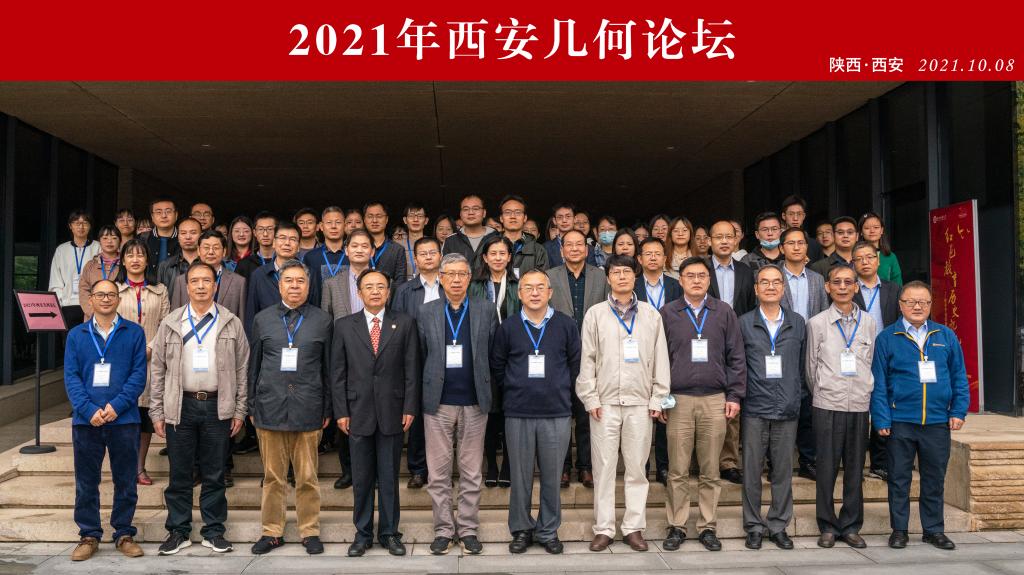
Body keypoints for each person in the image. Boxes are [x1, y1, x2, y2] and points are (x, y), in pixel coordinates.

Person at [149, 262, 248, 555]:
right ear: (187, 286)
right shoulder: (171, 322)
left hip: (218, 405)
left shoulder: (230, 322)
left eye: (207, 280)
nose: (201, 286)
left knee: (214, 473)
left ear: (215, 286)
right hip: (181, 405)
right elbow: (157, 370)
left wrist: (240, 410)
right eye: (195, 281)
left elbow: (242, 369)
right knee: (180, 473)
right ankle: (178, 531)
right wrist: (157, 411)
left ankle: (214, 531)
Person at [577, 255, 670, 553]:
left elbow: (661, 359)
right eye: (615, 272)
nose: (621, 277)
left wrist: (658, 397)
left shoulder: (651, 315)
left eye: (627, 272)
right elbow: (587, 359)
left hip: (640, 403)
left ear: (635, 276)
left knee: (637, 469)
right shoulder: (595, 314)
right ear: (608, 278)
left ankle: (633, 528)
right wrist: (590, 397)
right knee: (603, 469)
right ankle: (604, 528)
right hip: (604, 404)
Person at [871, 281, 969, 551]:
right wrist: (881, 418)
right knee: (898, 479)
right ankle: (899, 530)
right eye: (911, 301)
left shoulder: (945, 336)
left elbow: (959, 376)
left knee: (934, 479)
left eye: (923, 302)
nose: (917, 306)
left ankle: (933, 530)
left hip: (937, 422)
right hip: (900, 421)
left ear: (930, 305)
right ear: (900, 305)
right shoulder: (887, 338)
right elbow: (879, 382)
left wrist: (958, 410)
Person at [332, 269, 420, 557]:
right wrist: (341, 411)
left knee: (389, 476)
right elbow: (337, 373)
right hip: (357, 412)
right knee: (362, 478)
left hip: (393, 411)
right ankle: (363, 533)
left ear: (389, 292)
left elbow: (412, 369)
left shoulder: (404, 323)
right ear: (359, 293)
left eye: (380, 287)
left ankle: (390, 532)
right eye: (368, 287)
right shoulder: (345, 326)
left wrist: (409, 406)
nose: (375, 291)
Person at [491, 268, 580, 555]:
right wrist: (515, 387)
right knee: (520, 477)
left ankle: (548, 530)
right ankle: (521, 529)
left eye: (540, 287)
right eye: (528, 287)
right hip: (519, 412)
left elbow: (575, 365)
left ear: (550, 292)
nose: (534, 292)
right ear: (519, 293)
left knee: (553, 477)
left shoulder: (566, 325)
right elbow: (498, 365)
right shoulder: (509, 327)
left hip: (556, 412)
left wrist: (563, 393)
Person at [247, 260, 333, 556]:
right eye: (289, 280)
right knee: (273, 477)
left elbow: (328, 368)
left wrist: (327, 407)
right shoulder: (262, 319)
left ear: (308, 286)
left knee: (307, 477)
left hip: (309, 407)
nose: (295, 286)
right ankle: (272, 532)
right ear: (279, 285)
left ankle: (309, 531)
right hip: (270, 407)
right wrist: (251, 404)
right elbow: (254, 365)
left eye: (300, 281)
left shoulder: (323, 320)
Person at [660, 256, 745, 552]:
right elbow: (658, 358)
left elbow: (736, 357)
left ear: (709, 280)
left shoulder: (724, 312)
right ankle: (677, 525)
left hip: (714, 399)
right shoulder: (668, 312)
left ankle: (708, 526)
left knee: (710, 470)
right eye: (690, 276)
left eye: (702, 276)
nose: (696, 280)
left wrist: (734, 395)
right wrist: (660, 397)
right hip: (678, 401)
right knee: (678, 469)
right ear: (680, 280)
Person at [419, 253, 498, 556]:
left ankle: (467, 529)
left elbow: (493, 353)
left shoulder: (485, 309)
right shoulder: (426, 311)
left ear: (469, 278)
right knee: (438, 473)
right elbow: (422, 354)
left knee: (471, 472)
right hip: (438, 403)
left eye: (461, 274)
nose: (455, 280)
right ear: (440, 278)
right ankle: (443, 530)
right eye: (449, 274)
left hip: (475, 402)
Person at [63, 279, 147, 561]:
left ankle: (124, 533)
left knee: (126, 480)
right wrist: (88, 410)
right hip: (86, 422)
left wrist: (116, 406)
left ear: (118, 299)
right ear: (91, 300)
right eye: (100, 294)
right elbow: (71, 377)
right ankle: (89, 535)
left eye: (111, 294)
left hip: (124, 420)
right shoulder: (76, 335)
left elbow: (138, 376)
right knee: (86, 481)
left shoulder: (134, 332)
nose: (106, 299)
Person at [805, 265, 877, 549]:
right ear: (828, 287)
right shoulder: (817, 323)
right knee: (826, 468)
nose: (843, 287)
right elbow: (810, 368)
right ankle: (827, 525)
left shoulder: (869, 322)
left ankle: (850, 525)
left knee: (855, 469)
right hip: (827, 404)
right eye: (837, 282)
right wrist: (824, 391)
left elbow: (870, 361)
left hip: (859, 404)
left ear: (856, 287)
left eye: (849, 282)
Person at [738, 265, 806, 551]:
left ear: (783, 288)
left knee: (782, 472)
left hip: (787, 407)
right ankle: (753, 526)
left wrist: (796, 394)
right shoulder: (744, 323)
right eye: (764, 282)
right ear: (756, 289)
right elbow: (738, 365)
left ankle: (778, 525)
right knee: (752, 471)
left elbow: (802, 365)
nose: (770, 287)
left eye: (776, 282)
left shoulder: (797, 322)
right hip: (755, 407)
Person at [547, 229, 608, 488]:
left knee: (586, 415)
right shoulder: (550, 276)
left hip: (593, 355)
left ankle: (585, 467)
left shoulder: (601, 276)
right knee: (561, 414)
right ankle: (563, 467)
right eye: (568, 245)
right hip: (559, 356)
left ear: (586, 249)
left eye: (579, 244)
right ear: (561, 250)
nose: (574, 249)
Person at [319, 229, 377, 490]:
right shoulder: (332, 283)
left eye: (365, 246)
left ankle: (374, 472)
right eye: (355, 246)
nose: (360, 250)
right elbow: (326, 320)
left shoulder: (382, 281)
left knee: (375, 414)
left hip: (376, 354)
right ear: (346, 250)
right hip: (344, 355)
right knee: (345, 412)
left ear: (372, 251)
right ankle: (348, 470)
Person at [115, 239, 171, 487]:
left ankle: (139, 468)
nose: (135, 259)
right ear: (123, 260)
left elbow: (166, 324)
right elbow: (107, 322)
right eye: (130, 255)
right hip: (121, 360)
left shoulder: (160, 290)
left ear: (148, 260)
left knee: (145, 416)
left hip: (151, 360)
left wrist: (150, 348)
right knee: (123, 414)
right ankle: (123, 468)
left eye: (140, 255)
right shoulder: (114, 290)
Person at [391, 236, 443, 489]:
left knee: (443, 415)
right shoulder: (404, 290)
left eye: (433, 252)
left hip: (445, 357)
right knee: (419, 413)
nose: (428, 257)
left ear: (440, 255)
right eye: (423, 253)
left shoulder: (450, 284)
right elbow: (397, 325)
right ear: (415, 259)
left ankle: (441, 469)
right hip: (415, 358)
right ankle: (418, 469)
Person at [707, 220, 756, 484]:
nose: (725, 241)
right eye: (719, 237)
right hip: (705, 340)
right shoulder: (700, 269)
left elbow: (749, 307)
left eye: (729, 236)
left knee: (732, 398)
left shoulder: (746, 272)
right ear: (709, 241)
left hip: (737, 342)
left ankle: (728, 462)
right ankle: (704, 459)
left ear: (737, 240)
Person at [469, 235, 521, 488]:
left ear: (509, 257)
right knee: (488, 413)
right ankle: (491, 464)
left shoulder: (517, 284)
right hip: (484, 355)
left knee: (511, 413)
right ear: (485, 257)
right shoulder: (474, 285)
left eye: (503, 253)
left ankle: (508, 465)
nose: (498, 258)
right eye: (493, 253)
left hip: (513, 356)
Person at [779, 226, 828, 480]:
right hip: (781, 348)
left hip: (810, 348)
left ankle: (808, 460)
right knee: (781, 402)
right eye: (791, 243)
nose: (796, 247)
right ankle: (777, 462)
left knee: (809, 405)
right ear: (782, 248)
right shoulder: (772, 276)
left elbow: (823, 313)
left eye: (801, 243)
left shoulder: (817, 279)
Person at [851, 240, 901, 480]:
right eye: (859, 259)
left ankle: (879, 463)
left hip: (887, 354)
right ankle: (855, 463)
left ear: (878, 260)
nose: (865, 262)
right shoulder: (849, 288)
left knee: (883, 405)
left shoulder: (893, 289)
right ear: (853, 263)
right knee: (859, 409)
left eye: (870, 257)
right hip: (856, 355)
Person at [634, 236, 680, 484]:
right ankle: (642, 465)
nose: (653, 257)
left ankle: (663, 465)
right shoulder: (631, 284)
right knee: (640, 414)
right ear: (639, 259)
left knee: (665, 407)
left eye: (657, 253)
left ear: (665, 258)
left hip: (670, 351)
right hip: (637, 354)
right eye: (648, 253)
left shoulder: (675, 285)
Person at [244, 221, 309, 336]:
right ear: (273, 242)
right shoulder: (259, 275)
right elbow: (251, 314)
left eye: (293, 239)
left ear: (299, 246)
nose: (287, 243)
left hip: (302, 336)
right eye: (282, 238)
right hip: (267, 337)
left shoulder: (309, 274)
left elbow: (314, 310)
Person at [50, 209, 100, 327]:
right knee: (69, 337)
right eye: (77, 223)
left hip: (92, 304)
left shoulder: (98, 247)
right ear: (70, 226)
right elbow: (55, 280)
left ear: (90, 226)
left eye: (85, 223)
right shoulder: (62, 250)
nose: (81, 226)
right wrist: (60, 303)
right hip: (68, 305)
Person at [497, 194, 549, 276]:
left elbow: (543, 280)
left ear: (525, 218)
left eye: (518, 212)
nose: (513, 216)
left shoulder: (538, 250)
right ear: (501, 218)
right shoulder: (489, 245)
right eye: (507, 212)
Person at [79, 225, 122, 319]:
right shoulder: (90, 265)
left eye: (114, 238)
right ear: (99, 241)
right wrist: (94, 314)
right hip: (93, 318)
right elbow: (83, 292)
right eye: (105, 238)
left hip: (119, 317)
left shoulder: (125, 265)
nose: (109, 241)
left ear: (120, 241)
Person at [157, 217, 202, 302]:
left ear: (201, 236)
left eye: (193, 233)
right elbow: (159, 298)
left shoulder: (208, 263)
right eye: (183, 233)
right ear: (178, 237)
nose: (188, 237)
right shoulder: (165, 265)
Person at [363, 202, 407, 289]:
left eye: (379, 216)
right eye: (370, 216)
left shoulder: (397, 249)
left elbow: (400, 283)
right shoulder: (358, 249)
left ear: (386, 219)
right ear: (364, 220)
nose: (374, 220)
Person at [303, 206, 347, 292]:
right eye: (329, 222)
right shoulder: (310, 257)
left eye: (338, 222)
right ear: (321, 226)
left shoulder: (353, 255)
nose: (333, 226)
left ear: (345, 226)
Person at [443, 194, 495, 264]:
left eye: (475, 209)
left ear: (484, 213)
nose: (471, 213)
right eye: (466, 209)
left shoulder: (496, 237)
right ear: (460, 214)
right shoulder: (450, 241)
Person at [859, 212, 902, 286]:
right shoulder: (856, 256)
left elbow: (897, 284)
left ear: (882, 230)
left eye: (876, 227)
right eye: (867, 228)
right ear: (861, 232)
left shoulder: (890, 257)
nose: (872, 231)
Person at [235, 212, 277, 279]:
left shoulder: (284, 261)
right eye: (260, 229)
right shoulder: (244, 264)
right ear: (254, 233)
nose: (265, 234)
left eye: (270, 229)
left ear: (277, 232)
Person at [780, 195, 822, 261]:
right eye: (791, 214)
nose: (795, 218)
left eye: (799, 214)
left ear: (804, 216)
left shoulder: (814, 245)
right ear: (783, 216)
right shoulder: (777, 243)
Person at [143, 197, 180, 270]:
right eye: (158, 212)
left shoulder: (185, 238)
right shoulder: (142, 239)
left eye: (168, 211)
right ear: (152, 217)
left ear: (176, 215)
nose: (164, 216)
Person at [545, 203, 581, 268]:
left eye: (568, 216)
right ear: (554, 221)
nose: (564, 220)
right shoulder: (545, 248)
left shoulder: (588, 248)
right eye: (560, 217)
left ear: (575, 219)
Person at [401, 203, 430, 280]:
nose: (415, 220)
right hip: (404, 286)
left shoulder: (433, 245)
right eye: (411, 216)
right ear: (405, 220)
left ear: (426, 220)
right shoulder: (397, 246)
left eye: (420, 216)